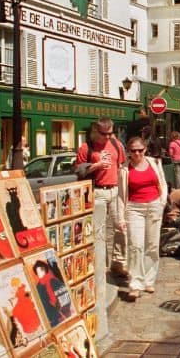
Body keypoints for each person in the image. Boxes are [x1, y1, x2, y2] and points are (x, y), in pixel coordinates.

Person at [75, 118, 128, 278]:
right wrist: (96, 166)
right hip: (97, 191)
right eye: (104, 134)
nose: (107, 137)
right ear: (96, 132)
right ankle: (100, 265)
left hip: (114, 190)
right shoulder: (86, 148)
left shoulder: (116, 144)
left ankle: (118, 263)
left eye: (110, 133)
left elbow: (122, 165)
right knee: (99, 230)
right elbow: (78, 171)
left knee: (120, 228)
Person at [117, 137, 168, 300]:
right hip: (134, 208)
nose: (137, 153)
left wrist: (162, 201)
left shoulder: (155, 163)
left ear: (145, 149)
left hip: (154, 206)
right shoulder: (124, 169)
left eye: (140, 150)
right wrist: (120, 217)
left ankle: (149, 280)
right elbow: (120, 195)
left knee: (152, 246)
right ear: (128, 151)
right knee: (135, 246)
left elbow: (163, 183)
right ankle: (135, 284)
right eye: (133, 150)